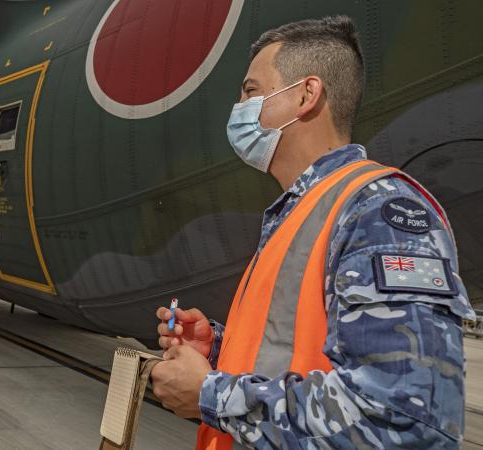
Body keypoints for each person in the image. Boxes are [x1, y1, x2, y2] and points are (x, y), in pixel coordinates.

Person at [150, 16, 475, 449]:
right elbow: (301, 355)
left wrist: (212, 395)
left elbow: (401, 422)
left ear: (306, 95)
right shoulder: (302, 212)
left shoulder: (377, 211)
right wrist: (217, 350)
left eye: (250, 92)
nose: (240, 107)